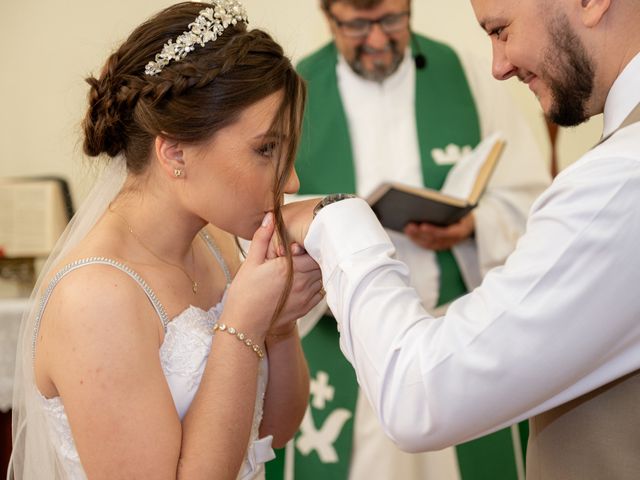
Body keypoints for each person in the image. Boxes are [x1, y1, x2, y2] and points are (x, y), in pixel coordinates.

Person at [275, 0, 640, 478]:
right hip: (353, 358)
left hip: (451, 347)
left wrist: (339, 222)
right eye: (358, 25)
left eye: (502, 30)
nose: (498, 65)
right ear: (329, 17)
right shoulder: (299, 87)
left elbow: (417, 397)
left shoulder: (616, 177)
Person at [8, 1, 324, 478]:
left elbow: (273, 432)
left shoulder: (216, 241)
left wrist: (277, 326)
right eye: (266, 149)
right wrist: (243, 322)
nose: (292, 181)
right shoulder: (96, 296)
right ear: (174, 151)